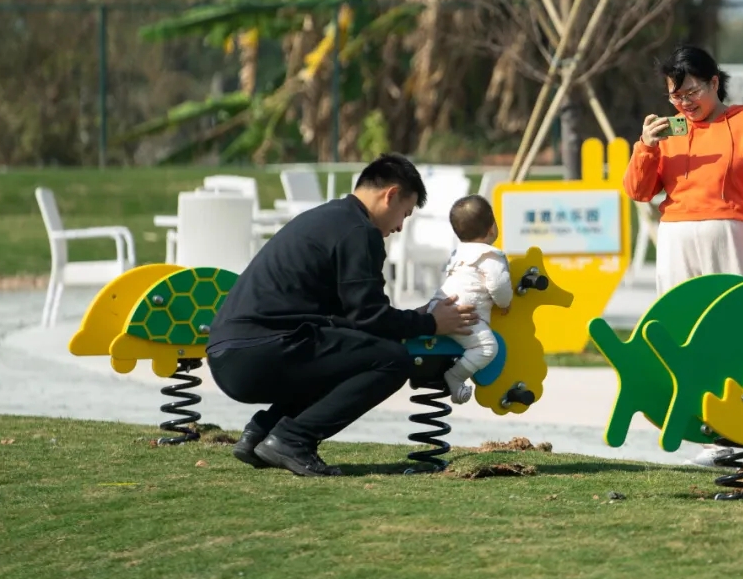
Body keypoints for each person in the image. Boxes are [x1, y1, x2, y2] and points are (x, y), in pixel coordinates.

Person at [207, 153, 478, 478]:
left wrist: (412, 317)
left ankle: (262, 432)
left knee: (352, 350)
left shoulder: (329, 218)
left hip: (231, 353)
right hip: (261, 351)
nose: (399, 227)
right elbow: (369, 318)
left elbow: (356, 320)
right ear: (390, 194)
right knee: (393, 359)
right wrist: (431, 323)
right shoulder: (359, 232)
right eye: (403, 214)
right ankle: (293, 439)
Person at [622, 44, 743, 477]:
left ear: (715, 83)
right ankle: (722, 439)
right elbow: (639, 192)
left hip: (736, 236)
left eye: (692, 92)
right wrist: (645, 147)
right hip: (677, 240)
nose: (685, 103)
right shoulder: (667, 132)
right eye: (676, 95)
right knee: (692, 339)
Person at [428, 195, 513, 405]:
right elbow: (499, 285)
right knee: (486, 348)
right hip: (463, 317)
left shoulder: (458, 253)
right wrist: (505, 302)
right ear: (492, 228)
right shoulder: (491, 256)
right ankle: (455, 377)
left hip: (437, 306)